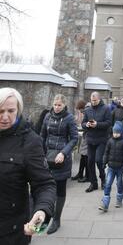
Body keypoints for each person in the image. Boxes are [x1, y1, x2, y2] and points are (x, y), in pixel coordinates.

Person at [0, 87, 56, 245]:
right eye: (0, 111)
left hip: (11, 233)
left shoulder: (30, 141)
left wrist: (41, 215)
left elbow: (45, 184)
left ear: (18, 110)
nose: (5, 117)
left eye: (11, 111)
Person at [40, 93, 78, 234]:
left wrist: (63, 152)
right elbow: (42, 135)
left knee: (59, 190)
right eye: (55, 105)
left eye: (59, 105)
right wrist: (40, 152)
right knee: (44, 189)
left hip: (62, 158)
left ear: (64, 105)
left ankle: (56, 219)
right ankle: (42, 219)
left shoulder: (69, 118)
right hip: (47, 157)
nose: (56, 107)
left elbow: (74, 139)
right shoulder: (47, 117)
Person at [82, 92, 112, 192]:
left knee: (99, 160)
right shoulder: (87, 110)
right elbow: (83, 123)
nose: (93, 102)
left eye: (95, 100)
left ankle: (103, 179)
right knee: (90, 161)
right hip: (90, 139)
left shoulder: (106, 109)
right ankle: (93, 183)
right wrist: (86, 124)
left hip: (101, 139)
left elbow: (108, 123)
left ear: (99, 99)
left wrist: (97, 124)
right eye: (92, 100)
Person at [99, 121, 123, 212]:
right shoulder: (110, 141)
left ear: (121, 132)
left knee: (119, 183)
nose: (115, 134)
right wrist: (104, 162)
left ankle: (119, 199)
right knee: (108, 184)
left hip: (120, 168)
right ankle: (105, 203)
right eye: (114, 132)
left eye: (117, 132)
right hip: (111, 167)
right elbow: (106, 153)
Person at [71, 100, 89, 182]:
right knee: (83, 156)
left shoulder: (87, 111)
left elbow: (84, 124)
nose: (80, 112)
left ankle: (87, 175)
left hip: (88, 136)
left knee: (86, 156)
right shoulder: (85, 111)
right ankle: (80, 173)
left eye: (80, 110)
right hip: (86, 135)